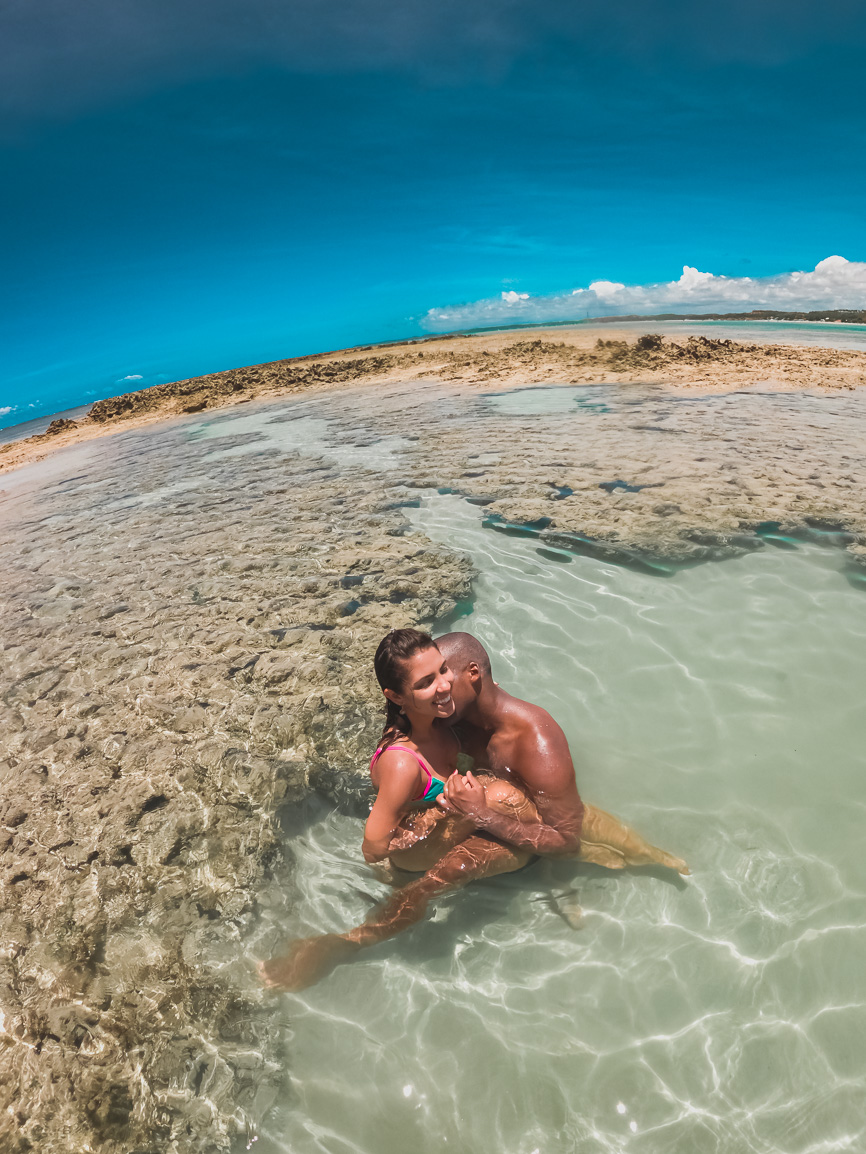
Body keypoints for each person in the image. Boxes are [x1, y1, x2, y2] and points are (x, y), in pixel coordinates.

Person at [259, 629, 687, 991]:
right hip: (432, 838)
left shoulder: (533, 739)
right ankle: (348, 943)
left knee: (548, 820)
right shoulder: (444, 719)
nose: (440, 688)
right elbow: (387, 811)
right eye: (427, 681)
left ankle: (646, 854)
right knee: (512, 815)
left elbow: (566, 830)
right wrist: (474, 813)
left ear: (472, 675)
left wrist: (488, 818)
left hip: (482, 822)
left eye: (444, 673)